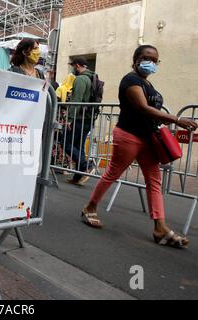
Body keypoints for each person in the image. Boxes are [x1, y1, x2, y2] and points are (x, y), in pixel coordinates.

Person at [81, 45, 198, 248]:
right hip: (129, 136)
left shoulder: (147, 83)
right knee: (113, 173)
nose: (150, 62)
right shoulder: (131, 80)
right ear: (135, 59)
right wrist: (176, 119)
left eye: (154, 60)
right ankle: (89, 208)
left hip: (148, 139)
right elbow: (143, 108)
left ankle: (160, 227)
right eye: (146, 58)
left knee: (154, 181)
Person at [64, 57, 95, 186]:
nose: (73, 69)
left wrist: (69, 119)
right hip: (88, 118)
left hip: (79, 118)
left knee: (66, 143)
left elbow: (76, 100)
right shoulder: (92, 77)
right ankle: (78, 177)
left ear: (77, 65)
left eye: (73, 66)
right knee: (79, 147)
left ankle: (85, 165)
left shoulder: (81, 79)